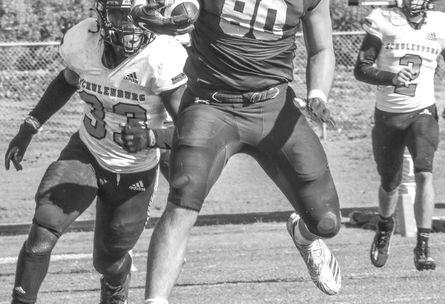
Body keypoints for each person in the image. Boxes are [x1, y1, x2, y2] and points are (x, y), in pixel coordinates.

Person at [130, 0, 342, 302]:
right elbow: (155, 12)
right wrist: (154, 18)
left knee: (327, 221)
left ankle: (304, 236)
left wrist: (318, 94)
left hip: (273, 104)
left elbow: (321, 49)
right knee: (182, 201)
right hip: (211, 104)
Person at [3, 0, 190, 303]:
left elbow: (194, 128)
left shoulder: (161, 56)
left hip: (133, 168)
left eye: (138, 14)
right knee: (42, 233)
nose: (131, 23)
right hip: (87, 151)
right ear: (102, 14)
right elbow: (66, 82)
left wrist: (153, 137)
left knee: (108, 262)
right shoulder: (85, 41)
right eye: (122, 13)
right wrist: (30, 126)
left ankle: (116, 287)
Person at [354, 0, 445, 271]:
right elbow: (361, 69)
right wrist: (390, 77)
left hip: (422, 112)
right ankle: (385, 226)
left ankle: (423, 245)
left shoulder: (441, 24)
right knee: (390, 183)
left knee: (424, 172)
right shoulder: (382, 19)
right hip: (388, 114)